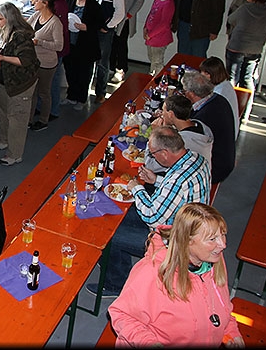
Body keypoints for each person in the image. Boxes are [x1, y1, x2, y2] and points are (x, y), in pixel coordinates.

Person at [87, 126, 211, 297]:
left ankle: (115, 283)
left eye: (153, 154)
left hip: (175, 243)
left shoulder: (177, 180)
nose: (152, 157)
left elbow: (152, 217)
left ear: (165, 153)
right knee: (115, 215)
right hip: (186, 224)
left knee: (107, 233)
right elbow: (177, 193)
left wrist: (137, 188)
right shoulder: (196, 159)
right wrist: (156, 180)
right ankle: (113, 261)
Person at [109, 203, 244, 347]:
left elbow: (220, 308)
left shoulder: (214, 261)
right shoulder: (152, 273)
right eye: (212, 239)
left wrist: (231, 333)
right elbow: (122, 314)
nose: (223, 244)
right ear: (187, 241)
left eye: (222, 235)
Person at [0, 2, 40, 166]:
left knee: (17, 118)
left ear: (10, 19)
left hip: (21, 83)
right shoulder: (5, 29)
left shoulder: (21, 37)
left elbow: (25, 60)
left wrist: (3, 58)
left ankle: (15, 154)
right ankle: (4, 140)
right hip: (6, 80)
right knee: (4, 110)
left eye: (0, 19)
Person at [144, 94, 214, 197]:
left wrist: (154, 135)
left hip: (182, 189)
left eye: (163, 111)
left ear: (171, 114)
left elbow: (151, 166)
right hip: (196, 178)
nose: (161, 114)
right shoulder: (200, 126)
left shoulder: (180, 142)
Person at [182, 71, 236, 185]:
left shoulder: (203, 118)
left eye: (184, 91)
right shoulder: (219, 99)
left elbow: (186, 142)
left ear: (191, 94)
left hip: (215, 167)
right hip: (226, 159)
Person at [225, 0, 266, 97]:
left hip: (237, 46)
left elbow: (231, 19)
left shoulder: (245, 8)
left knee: (232, 77)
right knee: (248, 78)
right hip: (255, 49)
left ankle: (230, 101)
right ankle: (246, 105)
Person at [26, 0, 65, 131]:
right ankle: (29, 120)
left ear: (45, 3)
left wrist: (39, 42)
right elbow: (24, 27)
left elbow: (59, 46)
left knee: (44, 92)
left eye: (36, 1)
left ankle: (43, 120)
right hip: (34, 61)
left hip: (46, 64)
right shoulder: (36, 16)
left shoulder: (55, 23)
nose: (33, 3)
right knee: (32, 92)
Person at [61, 0, 103, 110]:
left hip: (86, 46)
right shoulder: (69, 1)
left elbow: (100, 24)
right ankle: (71, 96)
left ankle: (81, 98)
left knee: (83, 73)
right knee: (70, 71)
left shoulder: (93, 5)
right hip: (70, 43)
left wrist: (87, 27)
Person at [33, 0, 70, 120]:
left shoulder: (58, 9)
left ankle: (52, 112)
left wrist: (40, 42)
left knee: (50, 85)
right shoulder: (39, 14)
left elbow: (58, 39)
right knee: (43, 87)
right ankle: (41, 108)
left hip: (54, 54)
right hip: (43, 54)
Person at [89, 0, 126, 103]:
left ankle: (101, 92)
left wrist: (107, 26)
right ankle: (86, 89)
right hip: (90, 29)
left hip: (105, 31)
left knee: (102, 62)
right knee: (88, 60)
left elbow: (120, 11)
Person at [110, 0, 145, 83]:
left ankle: (121, 69)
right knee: (111, 44)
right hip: (113, 18)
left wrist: (130, 14)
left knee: (121, 45)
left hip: (125, 20)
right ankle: (111, 67)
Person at [199, 57, 240, 138]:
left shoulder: (219, 93)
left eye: (205, 73)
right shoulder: (224, 84)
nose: (201, 75)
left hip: (224, 135)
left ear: (213, 74)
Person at [143, 0, 176, 75]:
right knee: (151, 57)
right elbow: (151, 14)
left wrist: (151, 34)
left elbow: (164, 23)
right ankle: (153, 75)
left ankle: (156, 78)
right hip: (150, 36)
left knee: (157, 61)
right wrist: (145, 28)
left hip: (159, 37)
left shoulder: (169, 3)